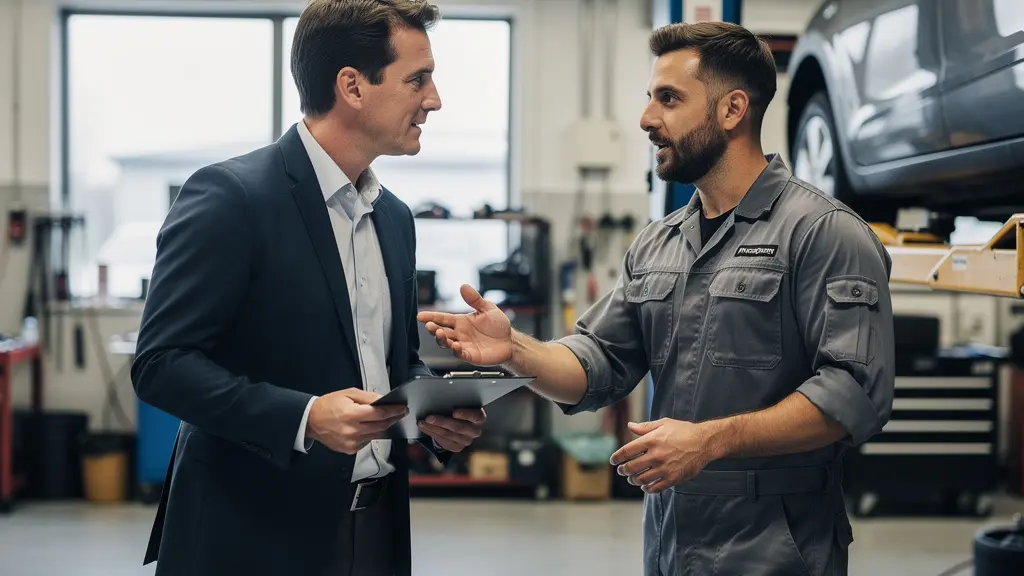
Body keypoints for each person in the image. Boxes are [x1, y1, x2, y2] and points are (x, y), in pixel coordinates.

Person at [419, 21, 895, 576]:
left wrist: (710, 442)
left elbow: (854, 392)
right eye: (650, 97)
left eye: (668, 99)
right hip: (670, 543)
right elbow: (599, 362)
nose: (647, 119)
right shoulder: (659, 242)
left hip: (777, 549)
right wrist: (517, 352)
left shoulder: (822, 233)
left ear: (732, 110)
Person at [131, 2, 486, 575]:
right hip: (251, 538)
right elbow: (161, 364)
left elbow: (393, 364)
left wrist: (431, 412)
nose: (434, 99)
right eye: (417, 79)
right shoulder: (231, 198)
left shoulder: (393, 218)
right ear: (352, 86)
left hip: (374, 530)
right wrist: (305, 417)